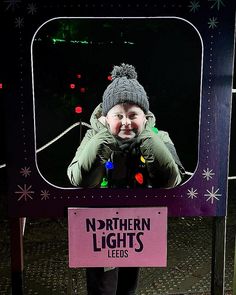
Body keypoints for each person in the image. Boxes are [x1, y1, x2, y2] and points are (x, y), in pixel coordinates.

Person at [67, 63, 184, 295]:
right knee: (102, 288)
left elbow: (171, 178)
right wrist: (103, 138)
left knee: (128, 286)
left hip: (136, 228)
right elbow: (79, 177)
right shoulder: (94, 135)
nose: (126, 122)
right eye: (118, 115)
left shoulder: (158, 137)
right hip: (99, 229)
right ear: (105, 118)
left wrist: (148, 138)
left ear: (145, 116)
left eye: (133, 115)